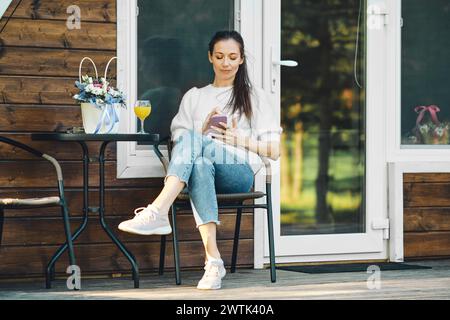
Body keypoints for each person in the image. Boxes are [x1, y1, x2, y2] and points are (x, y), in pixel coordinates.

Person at [118, 30, 282, 290]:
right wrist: (204, 132)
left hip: (237, 174)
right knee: (201, 159)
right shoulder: (194, 96)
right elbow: (179, 142)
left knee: (195, 141)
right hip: (201, 173)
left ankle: (158, 210)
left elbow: (274, 150)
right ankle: (213, 261)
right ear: (210, 57)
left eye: (232, 57)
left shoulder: (255, 97)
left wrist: (239, 139)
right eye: (219, 56)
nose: (225, 63)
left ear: (241, 60)